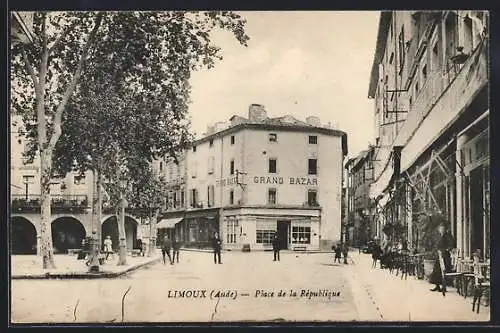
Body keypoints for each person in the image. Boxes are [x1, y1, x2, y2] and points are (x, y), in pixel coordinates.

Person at [429, 222, 455, 293]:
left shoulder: (448, 236)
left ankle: (444, 287)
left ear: (445, 229)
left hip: (445, 257)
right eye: (440, 229)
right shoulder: (439, 236)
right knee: (436, 270)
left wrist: (446, 250)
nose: (441, 230)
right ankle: (437, 286)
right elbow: (437, 246)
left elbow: (451, 245)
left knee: (443, 270)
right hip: (439, 256)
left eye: (443, 228)